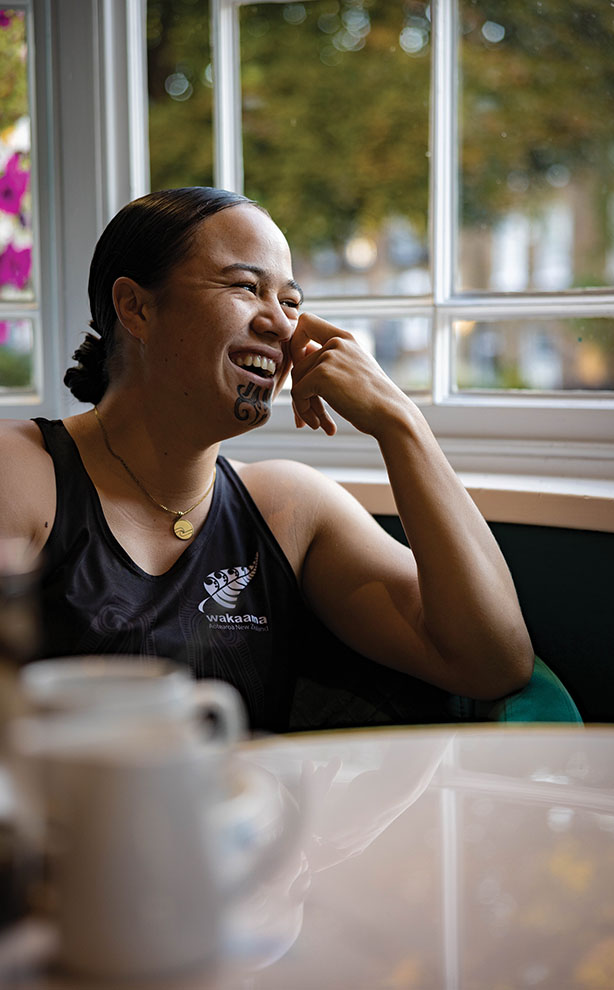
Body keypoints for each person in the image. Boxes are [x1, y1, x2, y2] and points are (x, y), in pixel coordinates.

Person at [0, 187, 533, 732]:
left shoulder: (288, 509)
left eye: (292, 302)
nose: (281, 325)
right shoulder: (19, 471)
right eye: (246, 287)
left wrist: (400, 424)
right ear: (136, 307)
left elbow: (491, 664)